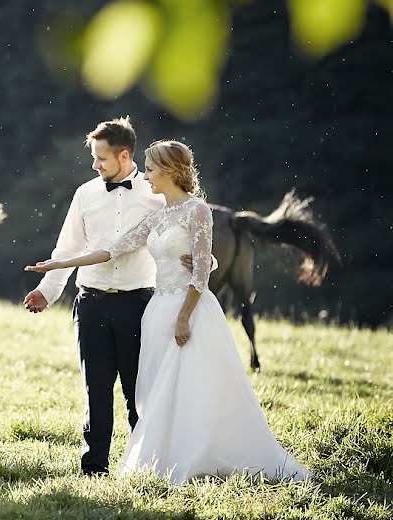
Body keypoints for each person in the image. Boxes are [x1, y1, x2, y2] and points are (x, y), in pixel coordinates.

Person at [26, 140, 311, 483]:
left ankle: (202, 454)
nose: (145, 175)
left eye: (149, 168)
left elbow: (203, 270)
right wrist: (60, 263)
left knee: (195, 385)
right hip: (157, 310)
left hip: (189, 310)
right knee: (156, 390)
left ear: (169, 171)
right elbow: (111, 251)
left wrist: (183, 315)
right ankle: (163, 458)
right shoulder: (156, 216)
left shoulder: (199, 211)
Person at [23, 116, 191, 476]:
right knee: (95, 389)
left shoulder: (155, 193)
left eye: (101, 158)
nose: (94, 164)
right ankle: (94, 467)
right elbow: (68, 247)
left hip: (138, 304)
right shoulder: (84, 194)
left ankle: (143, 463)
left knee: (137, 390)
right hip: (91, 303)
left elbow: (182, 235)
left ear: (124, 155)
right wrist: (47, 290)